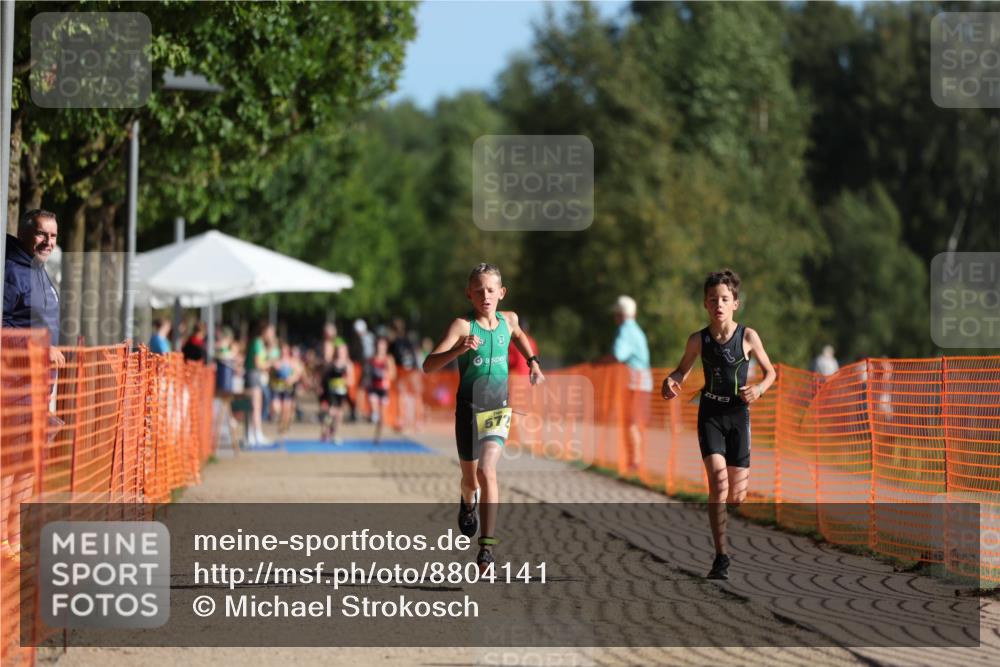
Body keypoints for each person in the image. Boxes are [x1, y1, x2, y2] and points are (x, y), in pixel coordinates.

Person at [422, 263, 544, 572]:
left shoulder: (509, 320)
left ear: (502, 293)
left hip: (497, 408)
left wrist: (533, 361)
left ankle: (487, 549)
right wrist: (457, 351)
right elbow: (428, 365)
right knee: (470, 479)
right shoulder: (462, 327)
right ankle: (467, 502)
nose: (485, 296)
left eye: (490, 290)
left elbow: (518, 335)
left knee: (488, 471)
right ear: (469, 294)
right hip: (467, 409)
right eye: (478, 291)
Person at [661, 269, 776, 580]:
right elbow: (680, 371)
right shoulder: (698, 340)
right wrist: (670, 383)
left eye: (725, 299)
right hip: (710, 412)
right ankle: (721, 557)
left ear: (735, 303)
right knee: (718, 482)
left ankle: (724, 537)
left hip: (738, 414)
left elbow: (771, 373)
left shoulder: (748, 337)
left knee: (736, 495)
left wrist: (760, 389)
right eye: (713, 300)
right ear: (705, 304)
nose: (719, 305)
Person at [2, 209, 64, 564]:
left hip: (41, 386)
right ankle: (2, 542)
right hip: (13, 385)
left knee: (27, 463)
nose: (48, 242)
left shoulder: (41, 272)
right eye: (42, 234)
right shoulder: (11, 271)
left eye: (54, 236)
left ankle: (16, 538)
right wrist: (38, 348)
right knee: (10, 462)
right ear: (25, 233)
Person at [609, 295, 653, 474]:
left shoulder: (625, 330)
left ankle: (634, 463)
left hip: (637, 383)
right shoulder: (637, 329)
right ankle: (636, 461)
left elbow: (617, 355)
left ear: (620, 314)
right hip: (643, 381)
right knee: (635, 423)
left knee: (631, 422)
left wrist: (598, 363)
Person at [244, 321, 275, 447]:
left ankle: (254, 433)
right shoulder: (257, 342)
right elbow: (258, 364)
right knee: (255, 406)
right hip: (253, 375)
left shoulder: (261, 343)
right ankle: (255, 434)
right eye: (270, 331)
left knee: (257, 405)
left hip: (257, 375)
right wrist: (270, 364)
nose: (272, 334)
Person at [320, 343, 354, 444]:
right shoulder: (331, 363)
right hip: (331, 392)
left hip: (342, 392)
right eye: (339, 351)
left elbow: (351, 380)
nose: (340, 353)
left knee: (339, 415)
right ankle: (325, 429)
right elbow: (324, 377)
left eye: (343, 351)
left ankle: (334, 434)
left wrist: (344, 381)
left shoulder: (348, 364)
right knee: (331, 412)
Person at [365, 336, 397, 444]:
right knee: (374, 408)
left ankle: (377, 437)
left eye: (383, 346)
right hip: (373, 388)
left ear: (386, 347)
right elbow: (367, 373)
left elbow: (393, 374)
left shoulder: (388, 359)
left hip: (384, 389)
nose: (380, 348)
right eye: (379, 346)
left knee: (382, 417)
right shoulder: (372, 359)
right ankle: (373, 413)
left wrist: (385, 374)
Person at [270, 342, 303, 441]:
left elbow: (299, 373)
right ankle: (280, 424)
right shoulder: (275, 362)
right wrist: (273, 369)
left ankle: (282, 431)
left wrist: (292, 378)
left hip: (287, 390)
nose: (283, 354)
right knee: (276, 408)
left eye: (285, 352)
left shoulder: (292, 362)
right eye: (282, 352)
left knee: (286, 410)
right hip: (277, 389)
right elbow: (268, 372)